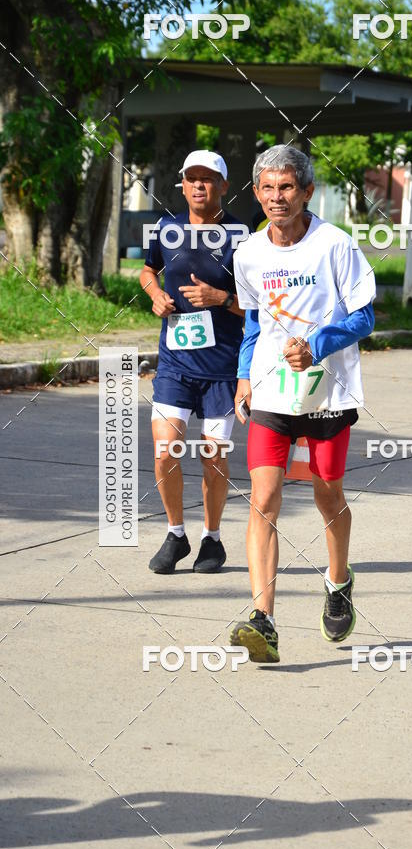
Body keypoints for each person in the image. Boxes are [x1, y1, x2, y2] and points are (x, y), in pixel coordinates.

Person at [229, 145, 375, 663]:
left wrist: (318, 345)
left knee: (326, 494)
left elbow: (364, 318)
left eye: (286, 187)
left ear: (307, 191)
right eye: (267, 188)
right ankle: (263, 619)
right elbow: (253, 324)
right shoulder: (247, 253)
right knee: (263, 498)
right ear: (257, 193)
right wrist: (245, 376)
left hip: (327, 391)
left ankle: (339, 581)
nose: (276, 198)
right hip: (271, 391)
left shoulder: (335, 246)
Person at [140, 150, 245, 575]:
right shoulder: (166, 229)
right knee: (166, 451)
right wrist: (155, 296)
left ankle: (212, 540)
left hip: (223, 368)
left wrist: (223, 299)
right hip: (175, 365)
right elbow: (148, 271)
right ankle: (176, 533)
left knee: (212, 456)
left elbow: (262, 307)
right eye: (192, 179)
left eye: (208, 179)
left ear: (223, 185)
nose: (199, 186)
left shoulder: (243, 237)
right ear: (182, 185)